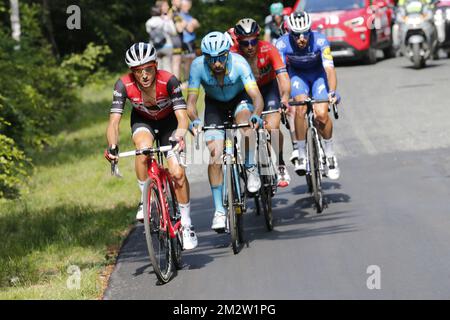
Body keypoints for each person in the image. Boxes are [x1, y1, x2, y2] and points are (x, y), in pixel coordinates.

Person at [104, 43, 198, 250]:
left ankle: (187, 225)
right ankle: (144, 199)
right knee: (143, 149)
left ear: (156, 65)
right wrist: (112, 146)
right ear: (132, 72)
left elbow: (182, 117)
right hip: (143, 121)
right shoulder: (123, 85)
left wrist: (180, 136)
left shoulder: (169, 80)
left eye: (148, 69)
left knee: (178, 174)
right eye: (138, 71)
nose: (144, 75)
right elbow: (114, 121)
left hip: (169, 123)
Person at [187, 32, 265, 232]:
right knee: (215, 156)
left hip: (239, 101)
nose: (217, 63)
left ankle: (250, 168)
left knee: (246, 127)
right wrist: (194, 120)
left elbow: (256, 96)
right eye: (211, 59)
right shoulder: (197, 67)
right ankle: (220, 211)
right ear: (205, 57)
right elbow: (191, 103)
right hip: (214, 106)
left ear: (227, 54)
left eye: (221, 57)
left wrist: (256, 114)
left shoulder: (239, 63)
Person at [276, 12, 341, 180]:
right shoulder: (282, 44)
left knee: (321, 114)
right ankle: (302, 153)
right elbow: (281, 74)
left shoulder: (320, 40)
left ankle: (330, 153)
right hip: (297, 76)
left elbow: (329, 69)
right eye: (297, 35)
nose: (302, 38)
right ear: (290, 32)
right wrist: (283, 98)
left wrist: (332, 91)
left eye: (305, 33)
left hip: (318, 75)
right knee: (300, 108)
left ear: (310, 30)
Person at [231, 18, 292, 188]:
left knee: (273, 127)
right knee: (245, 126)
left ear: (258, 38)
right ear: (238, 42)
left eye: (253, 41)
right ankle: (251, 168)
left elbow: (283, 76)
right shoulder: (232, 53)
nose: (250, 46)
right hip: (246, 92)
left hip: (268, 88)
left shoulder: (268, 48)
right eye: (245, 43)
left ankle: (280, 163)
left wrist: (285, 97)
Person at [146, 1, 177, 73]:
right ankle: (168, 83)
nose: (168, 7)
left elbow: (148, 31)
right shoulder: (166, 19)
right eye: (166, 5)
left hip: (154, 46)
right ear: (160, 8)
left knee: (157, 67)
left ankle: (159, 83)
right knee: (167, 67)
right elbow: (173, 32)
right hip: (167, 45)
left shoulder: (149, 21)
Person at [179, 0, 200, 83]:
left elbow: (197, 24)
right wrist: (191, 24)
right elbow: (190, 29)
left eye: (187, 5)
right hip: (185, 42)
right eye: (184, 5)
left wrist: (193, 23)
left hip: (191, 41)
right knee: (187, 61)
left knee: (192, 61)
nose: (186, 7)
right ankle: (186, 80)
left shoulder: (189, 16)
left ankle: (191, 79)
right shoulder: (180, 16)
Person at [169, 0, 184, 79]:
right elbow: (180, 29)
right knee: (176, 63)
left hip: (172, 41)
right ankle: (175, 84)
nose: (180, 2)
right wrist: (184, 23)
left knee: (173, 63)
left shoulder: (171, 12)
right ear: (172, 1)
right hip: (175, 41)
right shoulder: (174, 13)